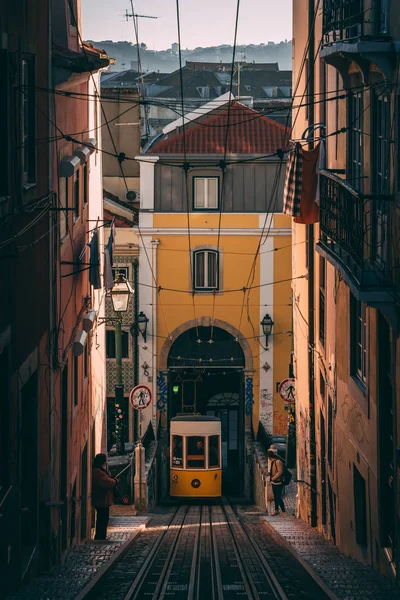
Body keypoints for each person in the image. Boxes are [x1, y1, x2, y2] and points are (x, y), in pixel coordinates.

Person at [92, 453, 119, 540]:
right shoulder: (97, 471)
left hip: (102, 499)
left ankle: (101, 536)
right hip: (101, 499)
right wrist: (115, 481)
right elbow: (107, 482)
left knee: (103, 519)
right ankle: (100, 537)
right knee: (102, 519)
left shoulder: (98, 470)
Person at [267, 445, 286, 516]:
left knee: (278, 497)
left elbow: (280, 472)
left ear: (270, 457)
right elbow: (274, 471)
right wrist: (270, 474)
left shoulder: (278, 462)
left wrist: (273, 478)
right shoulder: (273, 462)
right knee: (276, 497)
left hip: (279, 482)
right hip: (274, 482)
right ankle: (276, 510)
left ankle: (283, 511)